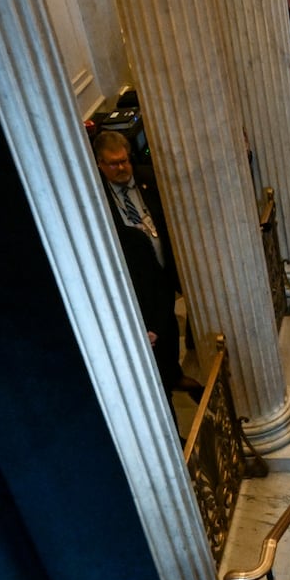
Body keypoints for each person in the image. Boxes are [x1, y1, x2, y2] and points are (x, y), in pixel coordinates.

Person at [93, 131, 199, 393]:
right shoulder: (97, 198)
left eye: (125, 160)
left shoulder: (148, 178)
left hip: (163, 268)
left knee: (169, 325)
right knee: (151, 333)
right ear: (100, 164)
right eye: (114, 163)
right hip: (134, 278)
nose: (122, 168)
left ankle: (174, 373)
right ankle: (162, 384)